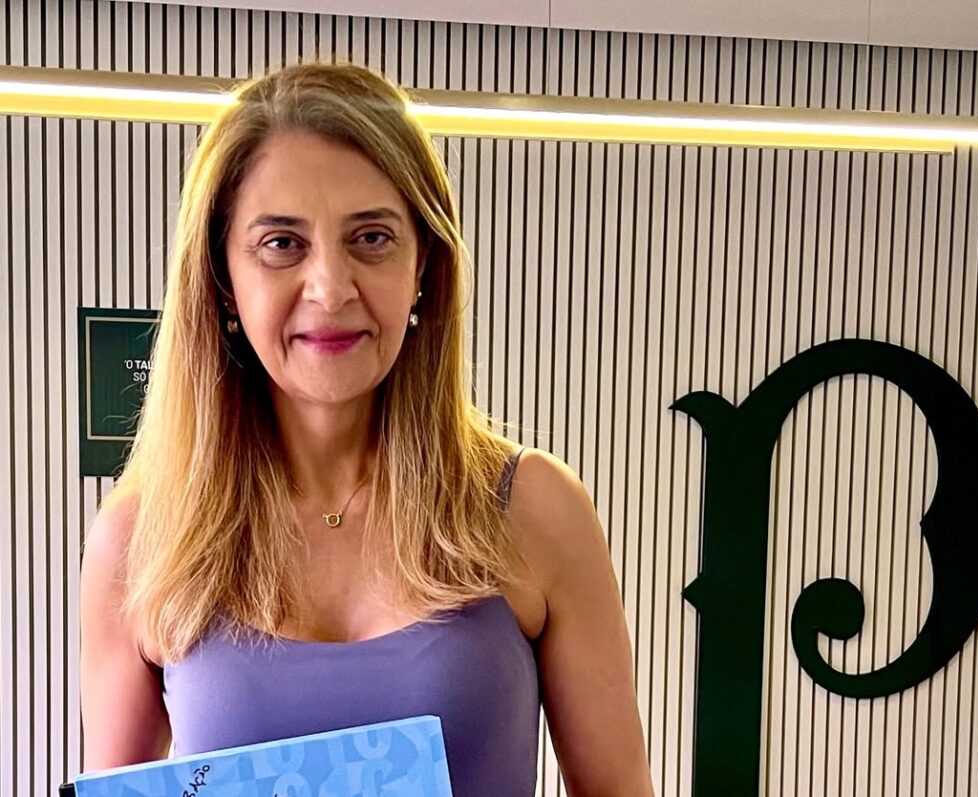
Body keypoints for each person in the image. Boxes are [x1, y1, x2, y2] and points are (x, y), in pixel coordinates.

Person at [79, 61, 654, 796]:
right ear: (223, 281)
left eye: (372, 237)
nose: (330, 288)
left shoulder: (534, 509)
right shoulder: (139, 540)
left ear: (423, 266)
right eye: (281, 243)